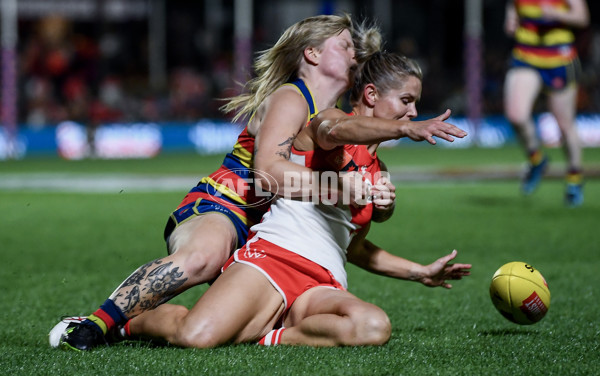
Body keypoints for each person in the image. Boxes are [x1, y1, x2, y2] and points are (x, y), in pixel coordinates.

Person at [57, 15, 466, 351]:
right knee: (203, 260)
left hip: (278, 235)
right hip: (227, 202)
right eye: (344, 44)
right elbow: (270, 172)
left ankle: (260, 331)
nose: (354, 51)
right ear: (313, 53)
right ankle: (99, 322)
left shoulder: (338, 119)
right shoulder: (302, 104)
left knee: (370, 325)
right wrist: (355, 178)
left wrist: (410, 257)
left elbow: (353, 241)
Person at [503, 0, 590, 207]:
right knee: (516, 115)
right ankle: (537, 160)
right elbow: (513, 9)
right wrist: (511, 20)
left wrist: (558, 15)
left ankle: (574, 179)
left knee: (564, 124)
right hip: (526, 56)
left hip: (559, 59)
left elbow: (582, 17)